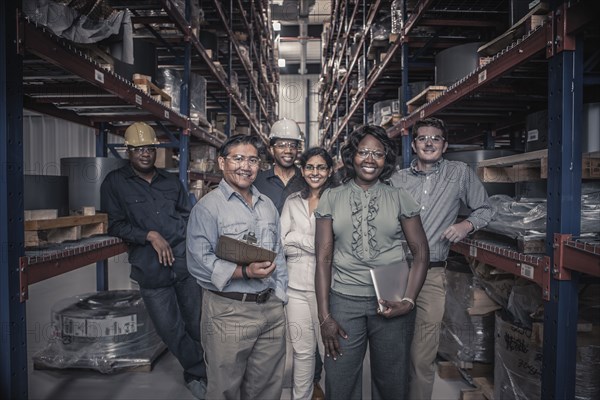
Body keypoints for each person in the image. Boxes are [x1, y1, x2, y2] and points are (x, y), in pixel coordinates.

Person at [314, 125, 430, 399]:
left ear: (386, 159)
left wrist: (409, 301)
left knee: (391, 383)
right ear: (351, 156)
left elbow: (421, 252)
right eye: (363, 152)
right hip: (344, 301)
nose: (369, 159)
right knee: (340, 382)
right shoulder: (331, 197)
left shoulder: (399, 197)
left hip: (391, 299)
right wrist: (325, 317)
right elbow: (322, 258)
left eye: (377, 154)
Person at [390, 117, 494, 400]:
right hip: (395, 272)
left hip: (432, 276)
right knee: (392, 351)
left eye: (435, 138)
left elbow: (486, 209)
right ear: (414, 145)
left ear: (444, 145)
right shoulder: (398, 179)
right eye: (423, 138)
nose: (428, 143)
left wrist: (466, 225)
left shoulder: (459, 174)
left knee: (422, 355)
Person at [100, 122, 207, 399]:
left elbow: (187, 215)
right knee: (170, 328)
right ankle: (198, 368)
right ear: (128, 151)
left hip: (183, 265)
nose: (145, 154)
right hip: (150, 269)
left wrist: (186, 244)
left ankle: (202, 372)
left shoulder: (171, 182)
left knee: (195, 322)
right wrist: (149, 235)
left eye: (150, 148)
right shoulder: (115, 183)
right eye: (138, 149)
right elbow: (114, 225)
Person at [186, 134, 288, 400]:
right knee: (225, 388)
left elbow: (280, 253)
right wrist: (243, 272)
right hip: (228, 311)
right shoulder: (208, 208)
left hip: (270, 308)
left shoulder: (267, 206)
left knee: (267, 387)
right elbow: (198, 261)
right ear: (222, 162)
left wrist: (280, 296)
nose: (246, 166)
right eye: (238, 158)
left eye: (253, 160)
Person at [254, 118, 325, 399]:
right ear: (271, 147)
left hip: (303, 272)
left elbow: (326, 239)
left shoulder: (308, 177)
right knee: (270, 334)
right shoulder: (258, 180)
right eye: (281, 143)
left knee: (310, 330)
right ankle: (267, 385)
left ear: (299, 149)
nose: (287, 149)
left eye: (292, 144)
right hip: (266, 266)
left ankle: (312, 382)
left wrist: (295, 241)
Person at [280, 147, 336, 400]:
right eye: (310, 167)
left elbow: (339, 243)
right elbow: (280, 241)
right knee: (302, 352)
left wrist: (297, 240)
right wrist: (314, 242)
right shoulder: (292, 201)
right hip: (296, 289)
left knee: (332, 350)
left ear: (330, 170)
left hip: (330, 288)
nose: (315, 172)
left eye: (321, 167)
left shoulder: (339, 199)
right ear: (302, 171)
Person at [254, 118, 305, 213]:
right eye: (281, 145)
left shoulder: (306, 180)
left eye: (292, 146)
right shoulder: (258, 182)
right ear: (272, 150)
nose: (288, 151)